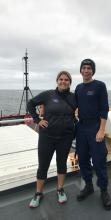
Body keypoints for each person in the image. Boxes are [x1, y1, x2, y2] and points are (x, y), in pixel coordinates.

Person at [27, 71, 76, 208]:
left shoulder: (73, 97)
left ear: (69, 82)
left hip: (65, 138)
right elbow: (30, 104)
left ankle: (60, 189)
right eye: (61, 79)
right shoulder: (48, 95)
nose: (63, 81)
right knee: (43, 165)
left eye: (66, 79)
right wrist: (37, 120)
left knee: (61, 164)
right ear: (57, 81)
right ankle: (38, 193)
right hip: (47, 137)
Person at [75, 59, 111, 210]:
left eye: (89, 68)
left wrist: (101, 129)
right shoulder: (78, 87)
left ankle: (104, 190)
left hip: (95, 126)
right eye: (84, 68)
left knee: (98, 161)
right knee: (82, 159)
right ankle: (89, 186)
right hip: (81, 127)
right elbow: (74, 105)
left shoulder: (100, 86)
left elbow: (104, 109)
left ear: (92, 71)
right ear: (81, 71)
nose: (86, 70)